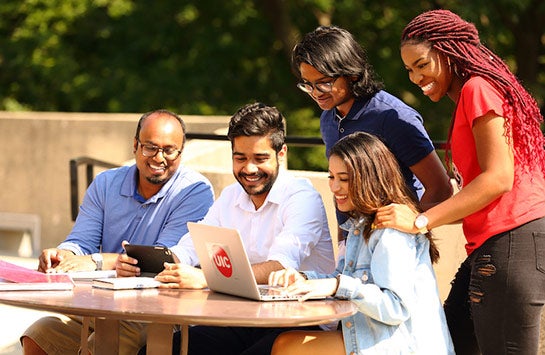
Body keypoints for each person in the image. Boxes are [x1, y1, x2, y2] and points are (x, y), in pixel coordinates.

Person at [373, 9, 545, 354]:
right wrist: (403, 215)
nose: (415, 77)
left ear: (449, 51)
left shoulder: (478, 89)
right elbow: (475, 196)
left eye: (422, 64)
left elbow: (498, 179)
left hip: (512, 243)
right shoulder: (475, 92)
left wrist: (420, 221)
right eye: (409, 70)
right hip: (496, 244)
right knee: (449, 341)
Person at [134, 102, 335, 354]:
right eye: (240, 158)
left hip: (300, 322)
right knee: (156, 351)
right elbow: (193, 245)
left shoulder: (302, 197)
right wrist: (152, 262)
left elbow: (281, 265)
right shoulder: (230, 196)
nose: (249, 169)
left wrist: (205, 279)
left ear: (281, 154)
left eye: (260, 159)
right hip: (245, 319)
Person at [21, 109, 215, 355]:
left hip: (160, 312)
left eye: (169, 150)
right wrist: (64, 255)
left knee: (100, 346)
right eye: (150, 147)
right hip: (105, 304)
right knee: (38, 335)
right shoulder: (105, 184)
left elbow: (162, 261)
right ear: (135, 145)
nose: (159, 157)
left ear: (180, 152)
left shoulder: (195, 191)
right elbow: (81, 241)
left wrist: (97, 261)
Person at [268, 131, 454, 354]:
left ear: (369, 178)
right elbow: (343, 277)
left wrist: (338, 285)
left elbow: (396, 307)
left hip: (403, 346)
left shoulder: (391, 233)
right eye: (331, 177)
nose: (334, 187)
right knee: (284, 342)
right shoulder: (360, 226)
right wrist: (303, 278)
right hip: (373, 338)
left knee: (287, 346)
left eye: (344, 179)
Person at [291, 26, 452, 241]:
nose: (315, 93)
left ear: (353, 74)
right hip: (352, 249)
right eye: (307, 84)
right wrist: (343, 246)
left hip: (393, 244)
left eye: (324, 83)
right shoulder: (327, 118)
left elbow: (440, 188)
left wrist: (405, 227)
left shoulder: (394, 117)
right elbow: (342, 190)